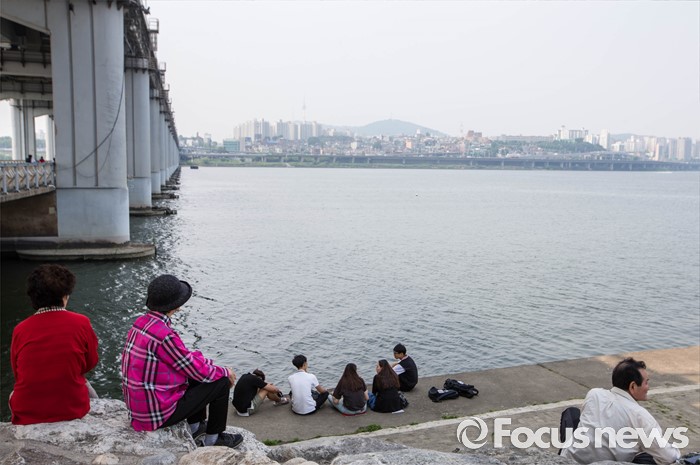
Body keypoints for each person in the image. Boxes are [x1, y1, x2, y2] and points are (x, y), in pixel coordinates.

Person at [121, 274, 242, 449]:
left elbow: (183, 360)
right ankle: (214, 439)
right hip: (156, 415)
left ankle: (195, 427)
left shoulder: (141, 323)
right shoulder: (164, 336)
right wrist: (225, 371)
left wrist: (208, 365)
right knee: (221, 382)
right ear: (176, 305)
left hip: (140, 411)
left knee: (198, 374)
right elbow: (195, 369)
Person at [9, 264, 99, 425]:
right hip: (71, 409)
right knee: (87, 387)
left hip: (28, 412)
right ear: (64, 296)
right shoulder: (82, 323)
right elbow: (90, 362)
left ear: (33, 297)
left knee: (12, 395)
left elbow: (18, 372)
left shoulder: (20, 329)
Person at [560, 358, 681, 465]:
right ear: (633, 386)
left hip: (568, 459)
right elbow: (669, 457)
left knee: (572, 413)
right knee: (649, 455)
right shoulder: (640, 415)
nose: (648, 387)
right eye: (646, 382)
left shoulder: (594, 394)